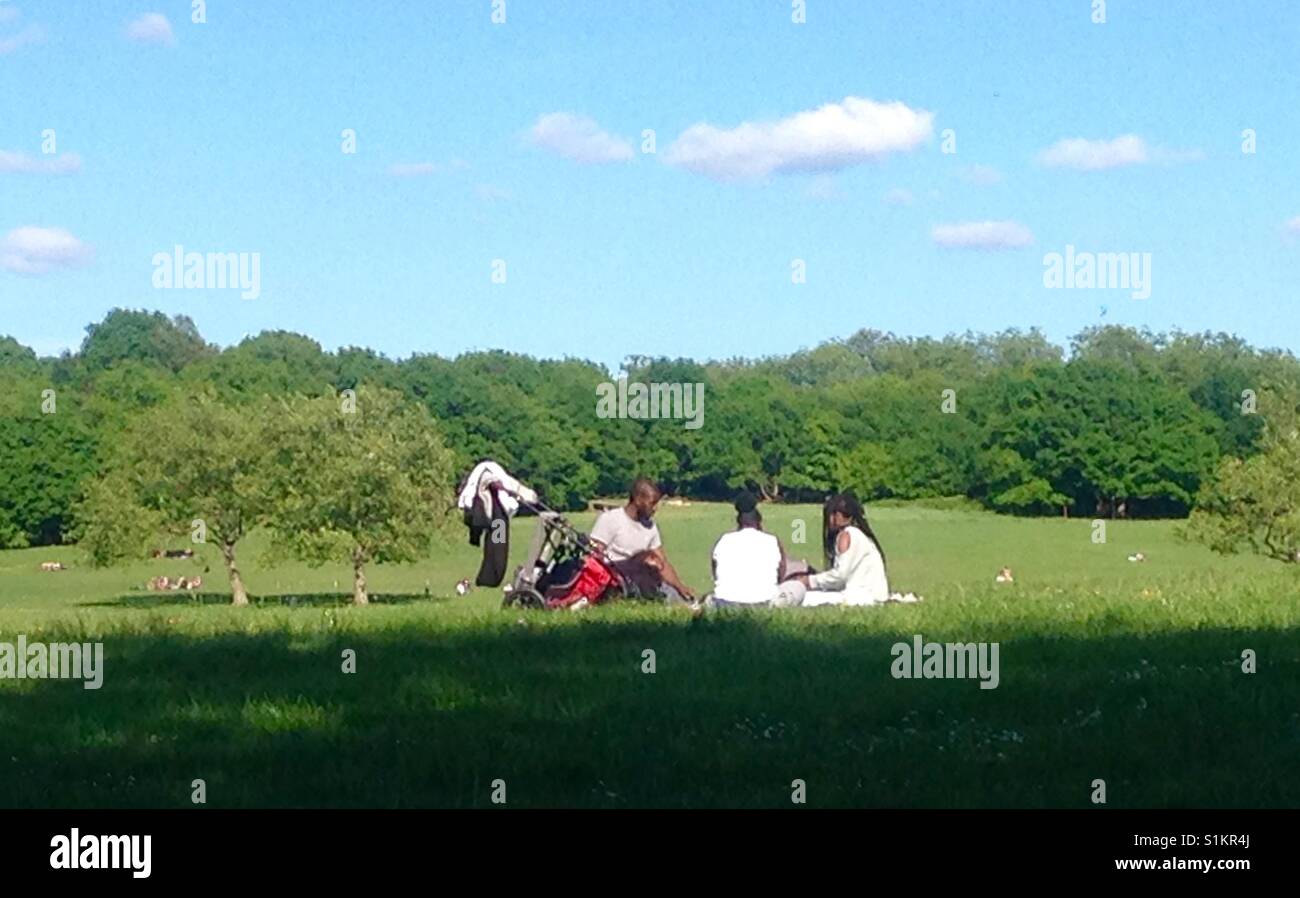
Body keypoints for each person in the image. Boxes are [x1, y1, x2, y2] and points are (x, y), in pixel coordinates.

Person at [589, 478, 696, 604]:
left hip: (645, 582)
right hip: (616, 583)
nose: (655, 508)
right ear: (638, 500)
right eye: (652, 503)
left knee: (679, 600)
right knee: (644, 559)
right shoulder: (610, 519)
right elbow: (594, 558)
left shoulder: (650, 526)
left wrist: (680, 587)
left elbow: (662, 563)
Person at [708, 491, 806, 608]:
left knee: (709, 598)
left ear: (738, 521)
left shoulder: (723, 540)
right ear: (759, 521)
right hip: (764, 603)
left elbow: (715, 573)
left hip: (725, 604)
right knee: (798, 587)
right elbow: (780, 575)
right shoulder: (772, 540)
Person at [792, 493, 890, 606]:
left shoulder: (846, 535)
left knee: (802, 597)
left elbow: (840, 576)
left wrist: (809, 581)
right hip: (874, 595)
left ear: (837, 515)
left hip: (860, 596)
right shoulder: (861, 536)